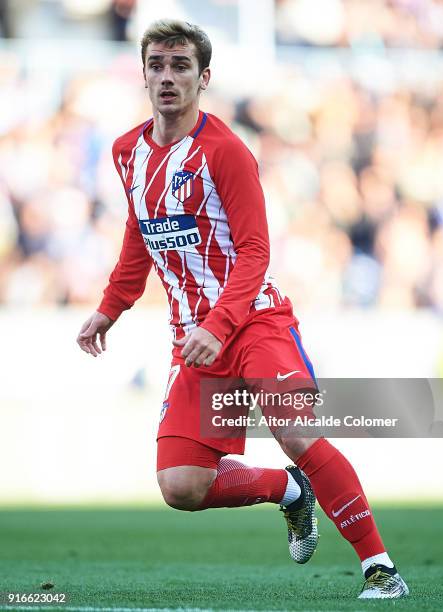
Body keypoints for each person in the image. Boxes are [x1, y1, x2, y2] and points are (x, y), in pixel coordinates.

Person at [76, 19, 408, 599]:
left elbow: (255, 250)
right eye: (157, 65)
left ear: (204, 78)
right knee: (181, 485)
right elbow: (140, 234)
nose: (167, 77)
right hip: (192, 335)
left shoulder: (225, 151)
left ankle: (381, 568)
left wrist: (220, 321)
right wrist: (111, 308)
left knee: (296, 431)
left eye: (181, 66)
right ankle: (289, 491)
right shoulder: (127, 151)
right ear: (143, 75)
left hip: (254, 321)